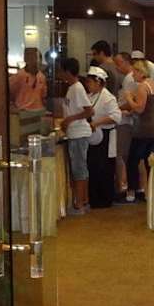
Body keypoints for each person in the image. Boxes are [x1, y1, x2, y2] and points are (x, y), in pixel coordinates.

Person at [58, 57, 94, 215]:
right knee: (79, 168)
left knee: (79, 169)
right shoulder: (72, 88)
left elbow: (89, 111)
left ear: (67, 71)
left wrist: (69, 120)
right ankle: (83, 201)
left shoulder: (77, 88)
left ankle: (80, 204)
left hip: (79, 133)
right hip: (74, 133)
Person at [121, 58, 154, 202]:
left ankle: (131, 191)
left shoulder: (142, 87)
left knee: (132, 160)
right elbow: (149, 107)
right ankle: (152, 191)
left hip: (143, 130)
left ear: (140, 72)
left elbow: (139, 108)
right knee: (150, 162)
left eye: (134, 72)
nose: (132, 75)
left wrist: (128, 98)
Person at [83, 66, 121, 209]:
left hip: (105, 135)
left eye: (90, 82)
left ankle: (105, 199)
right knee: (93, 167)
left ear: (98, 82)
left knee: (104, 168)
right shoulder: (90, 96)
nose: (88, 85)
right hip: (93, 135)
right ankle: (94, 198)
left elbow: (116, 116)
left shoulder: (107, 97)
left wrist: (97, 123)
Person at [112, 52, 138, 196]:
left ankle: (124, 185)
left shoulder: (129, 78)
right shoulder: (128, 78)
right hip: (125, 119)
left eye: (119, 63)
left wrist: (116, 109)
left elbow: (130, 102)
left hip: (125, 121)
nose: (117, 67)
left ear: (127, 62)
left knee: (122, 155)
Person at [7, 47, 47, 112]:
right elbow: (8, 92)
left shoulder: (42, 77)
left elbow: (43, 97)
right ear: (26, 59)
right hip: (23, 111)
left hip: (38, 111)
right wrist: (14, 108)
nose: (35, 61)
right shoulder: (19, 76)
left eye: (37, 58)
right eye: (32, 58)